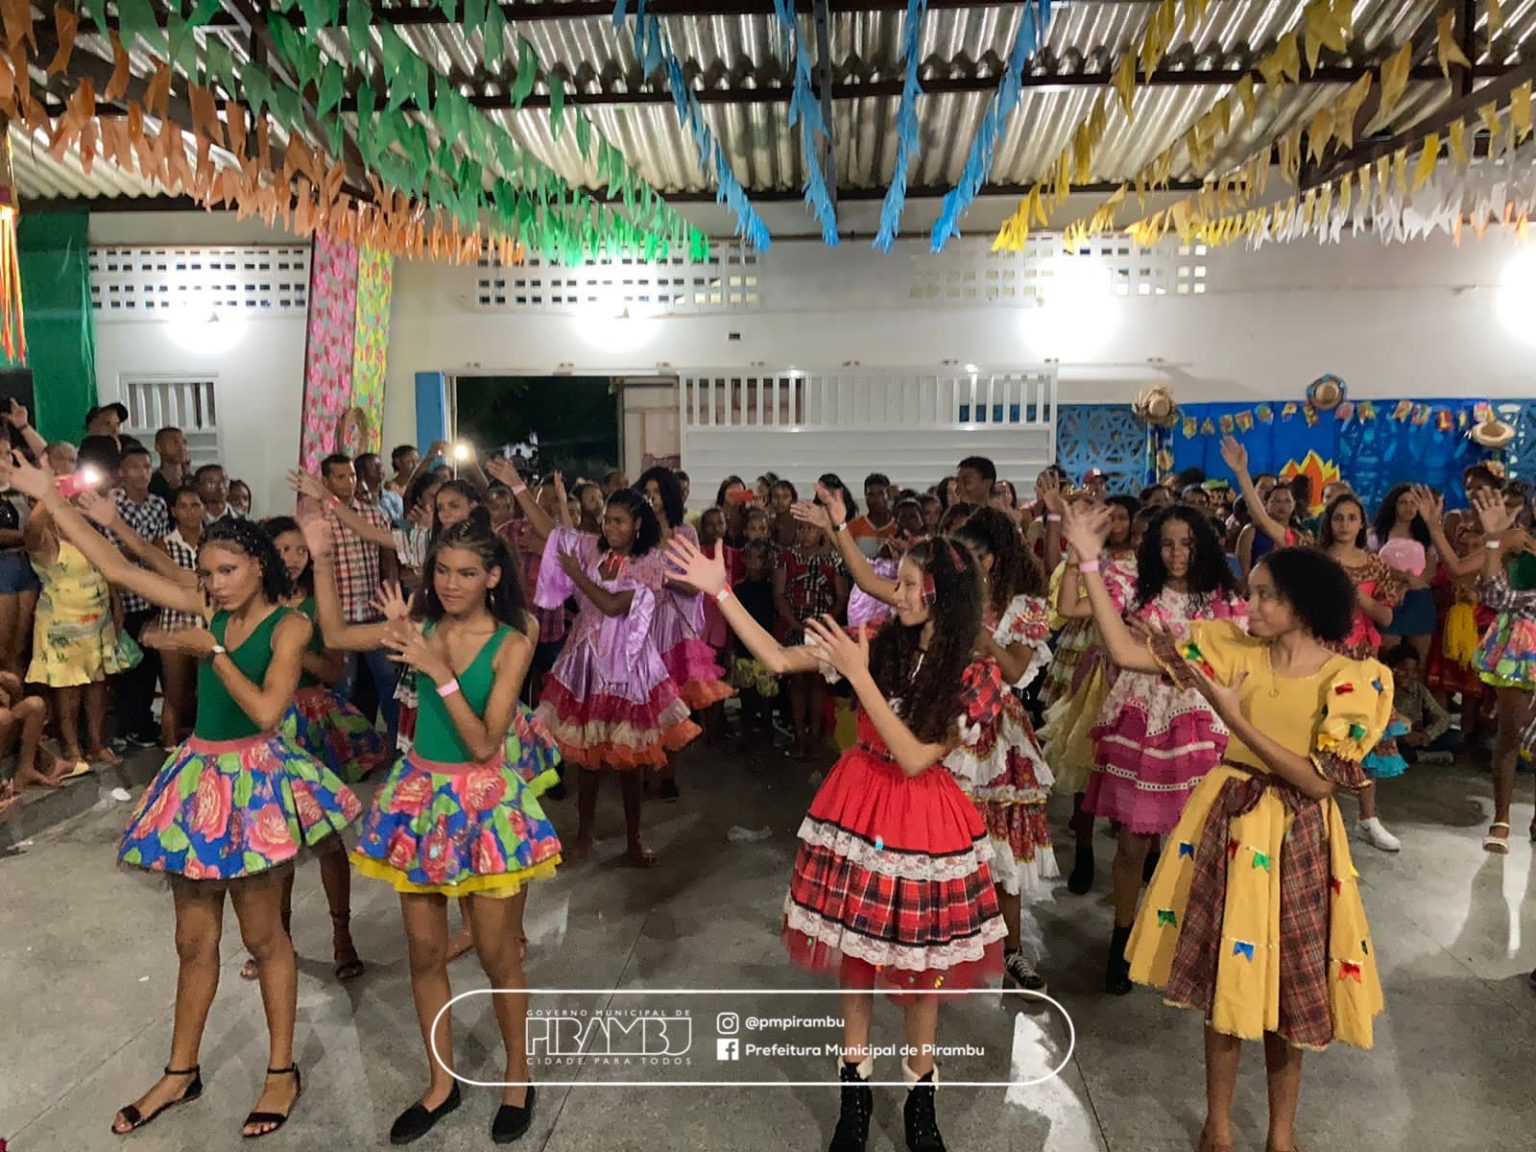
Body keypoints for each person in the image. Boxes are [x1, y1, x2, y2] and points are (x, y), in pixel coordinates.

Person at [8, 453, 362, 1139]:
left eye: (226, 571)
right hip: (200, 779)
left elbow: (267, 712)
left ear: (259, 566)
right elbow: (116, 569)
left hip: (254, 783)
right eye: (206, 573)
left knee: (264, 936)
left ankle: (281, 1071)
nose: (214, 584)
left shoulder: (288, 626)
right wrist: (47, 494)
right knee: (192, 939)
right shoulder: (208, 608)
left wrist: (214, 653)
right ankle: (181, 1070)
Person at [1060, 498, 1389, 1152]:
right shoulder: (1231, 647)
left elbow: (1318, 781)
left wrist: (1232, 716)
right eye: (1253, 593)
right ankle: (1218, 1123)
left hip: (1297, 839)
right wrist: (1089, 562)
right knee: (1226, 981)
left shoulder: (1354, 681)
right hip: (1233, 832)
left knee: (1290, 987)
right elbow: (1123, 649)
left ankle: (1281, 1134)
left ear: (1302, 606)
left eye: (1265, 597)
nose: (1250, 605)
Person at [666, 529, 1006, 1152]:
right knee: (857, 953)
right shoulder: (875, 639)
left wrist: (857, 674)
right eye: (899, 581)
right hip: (858, 802)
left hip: (921, 814)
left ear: (943, 594)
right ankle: (856, 1089)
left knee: (921, 963)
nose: (896, 594)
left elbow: (915, 756)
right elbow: (777, 658)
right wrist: (721, 593)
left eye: (910, 585)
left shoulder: (976, 673)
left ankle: (920, 1094)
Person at [307, 514, 561, 1143]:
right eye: (442, 570)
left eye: (466, 573)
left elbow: (484, 743)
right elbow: (334, 634)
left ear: (493, 577)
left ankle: (518, 1078)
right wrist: (321, 554)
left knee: (499, 956)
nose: (450, 583)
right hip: (420, 799)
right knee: (423, 952)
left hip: (483, 804)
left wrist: (438, 669)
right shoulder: (417, 627)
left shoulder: (511, 641)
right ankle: (441, 1083)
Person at [1082, 505, 1246, 995]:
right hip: (1142, 721)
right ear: (1153, 547)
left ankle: (1186, 940)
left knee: (1195, 841)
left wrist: (1169, 650)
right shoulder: (1133, 588)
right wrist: (1079, 556)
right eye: (1167, 544)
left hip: (1200, 724)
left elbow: (1232, 661)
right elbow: (1070, 606)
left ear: (1204, 546)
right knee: (1132, 841)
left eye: (1187, 544)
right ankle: (1122, 936)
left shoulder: (1224, 600)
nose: (1177, 554)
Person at [534, 489, 698, 865]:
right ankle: (584, 835)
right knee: (588, 755)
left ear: (637, 524)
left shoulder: (650, 564)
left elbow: (610, 606)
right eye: (607, 519)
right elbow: (553, 532)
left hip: (627, 667)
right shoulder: (595, 549)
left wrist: (575, 574)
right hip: (588, 664)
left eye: (619, 521)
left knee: (630, 758)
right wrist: (516, 487)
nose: (609, 527)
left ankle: (634, 840)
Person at [1040, 491, 1140, 895]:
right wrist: (1076, 554)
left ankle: (1142, 845)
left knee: (1134, 768)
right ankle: (1084, 849)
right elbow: (1065, 604)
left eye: (1123, 518)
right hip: (1095, 666)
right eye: (1110, 517)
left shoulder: (1145, 569)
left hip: (1138, 676)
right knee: (1085, 762)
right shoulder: (1098, 563)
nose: (1116, 525)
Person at [1312, 490, 1404, 851]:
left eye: (1352, 518)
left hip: (1361, 660)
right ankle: (1316, 815)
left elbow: (1387, 616)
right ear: (1328, 522)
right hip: (1320, 657)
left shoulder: (1375, 565)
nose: (1345, 525)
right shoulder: (1316, 560)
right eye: (1338, 518)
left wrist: (1359, 596)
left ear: (1362, 523)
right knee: (1319, 736)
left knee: (1364, 736)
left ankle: (1368, 818)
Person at [24, 469, 125, 772]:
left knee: (97, 685)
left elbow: (106, 569)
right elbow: (31, 528)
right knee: (68, 689)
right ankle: (72, 748)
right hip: (63, 626)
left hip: (97, 621)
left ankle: (96, 743)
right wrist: (48, 493)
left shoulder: (85, 532)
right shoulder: (45, 539)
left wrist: (116, 604)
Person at [1467, 486, 1536, 854]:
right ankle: (1502, 818)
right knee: (1511, 731)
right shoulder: (1519, 541)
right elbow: (1496, 596)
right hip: (1522, 647)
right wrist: (1494, 538)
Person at [313, 453, 398, 744]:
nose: (348, 482)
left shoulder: (373, 515)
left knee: (390, 683)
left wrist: (390, 591)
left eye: (351, 476)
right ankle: (343, 749)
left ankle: (397, 745)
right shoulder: (318, 520)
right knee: (342, 688)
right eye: (340, 477)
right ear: (325, 482)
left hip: (375, 613)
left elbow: (388, 558)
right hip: (340, 619)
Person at [775, 514, 850, 760]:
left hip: (822, 628)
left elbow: (841, 596)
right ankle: (799, 735)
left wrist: (825, 622)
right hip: (795, 626)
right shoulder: (786, 557)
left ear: (820, 532)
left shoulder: (833, 559)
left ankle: (816, 735)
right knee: (797, 681)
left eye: (811, 528)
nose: (805, 533)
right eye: (801, 528)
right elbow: (779, 594)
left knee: (819, 681)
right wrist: (795, 623)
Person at [113, 443, 171, 747]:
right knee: (127, 666)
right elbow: (110, 554)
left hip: (151, 593)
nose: (142, 473)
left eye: (147, 466)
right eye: (134, 467)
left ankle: (143, 722)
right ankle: (127, 725)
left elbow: (159, 545)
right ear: (121, 472)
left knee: (150, 664)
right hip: (123, 594)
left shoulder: (158, 504)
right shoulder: (110, 503)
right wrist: (139, 550)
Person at [156, 486, 206, 749]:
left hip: (207, 624)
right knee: (174, 693)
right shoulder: (164, 543)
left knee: (206, 692)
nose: (190, 512)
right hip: (175, 624)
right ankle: (169, 748)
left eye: (195, 505)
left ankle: (202, 747)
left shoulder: (214, 540)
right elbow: (164, 582)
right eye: (184, 506)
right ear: (174, 511)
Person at [1374, 484, 1438, 662]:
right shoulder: (1377, 535)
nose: (1408, 507)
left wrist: (1406, 585)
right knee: (1388, 657)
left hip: (1419, 598)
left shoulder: (1427, 536)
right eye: (1403, 502)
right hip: (1388, 599)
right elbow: (1373, 566)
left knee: (1419, 660)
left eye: (1413, 503)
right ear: (1393, 505)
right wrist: (1402, 578)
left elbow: (1430, 571)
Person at [1379, 643, 1457, 766]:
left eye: (1412, 671)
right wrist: (1402, 738)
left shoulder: (1418, 689)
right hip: (1396, 738)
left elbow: (1443, 716)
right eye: (1404, 670)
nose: (1408, 675)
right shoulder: (1382, 690)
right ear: (1391, 669)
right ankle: (1420, 757)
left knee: (1455, 738)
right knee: (1385, 749)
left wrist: (1428, 735)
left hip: (1419, 737)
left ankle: (1417, 754)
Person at [0, 447, 40, 677]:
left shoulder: (20, 488)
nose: (3, 459)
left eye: (6, 453)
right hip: (3, 566)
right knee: (2, 649)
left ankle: (18, 696)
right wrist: (28, 536)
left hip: (26, 564)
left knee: (20, 648)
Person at [846, 472, 897, 554]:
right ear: (865, 497)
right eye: (871, 495)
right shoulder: (853, 527)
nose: (876, 499)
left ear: (889, 495)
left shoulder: (898, 527)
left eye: (881, 494)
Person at [150, 426, 191, 504]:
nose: (181, 448)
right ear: (158, 447)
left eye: (184, 443)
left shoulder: (193, 482)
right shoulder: (152, 483)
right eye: (174, 443)